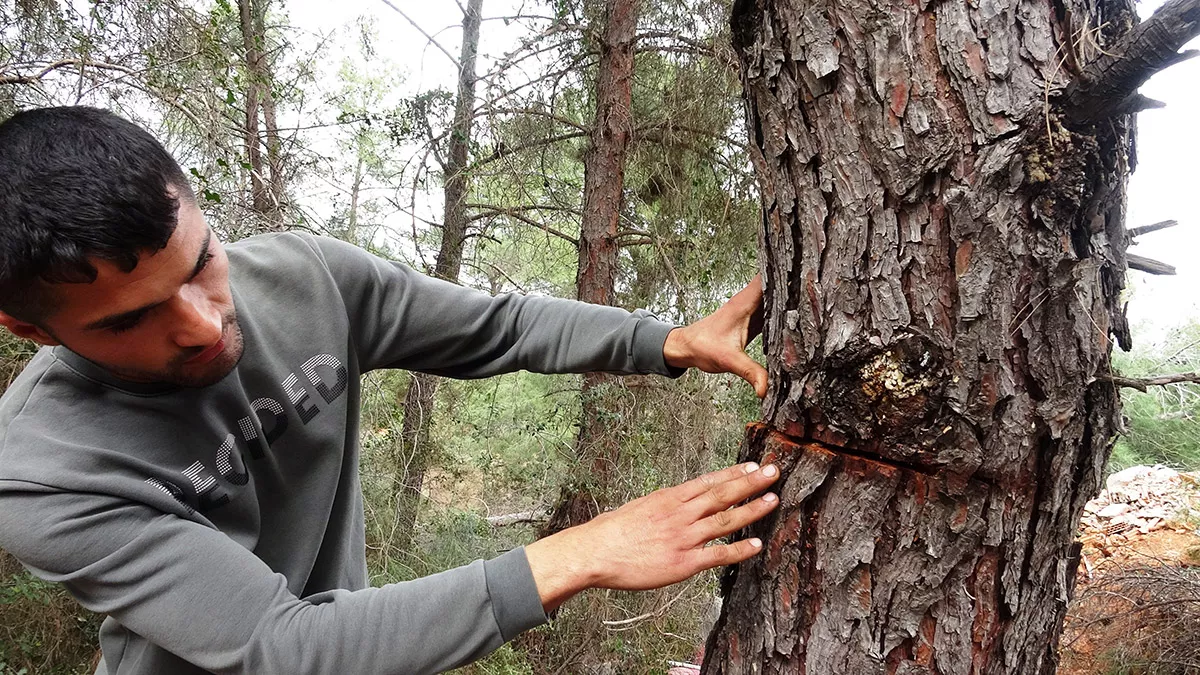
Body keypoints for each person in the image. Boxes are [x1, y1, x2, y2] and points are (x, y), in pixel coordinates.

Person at [0, 106, 779, 674]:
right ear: (31, 329)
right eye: (134, 318)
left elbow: (496, 327)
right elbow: (284, 644)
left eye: (202, 261)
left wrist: (667, 341)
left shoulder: (304, 278)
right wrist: (581, 552)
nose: (202, 324)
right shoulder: (40, 471)